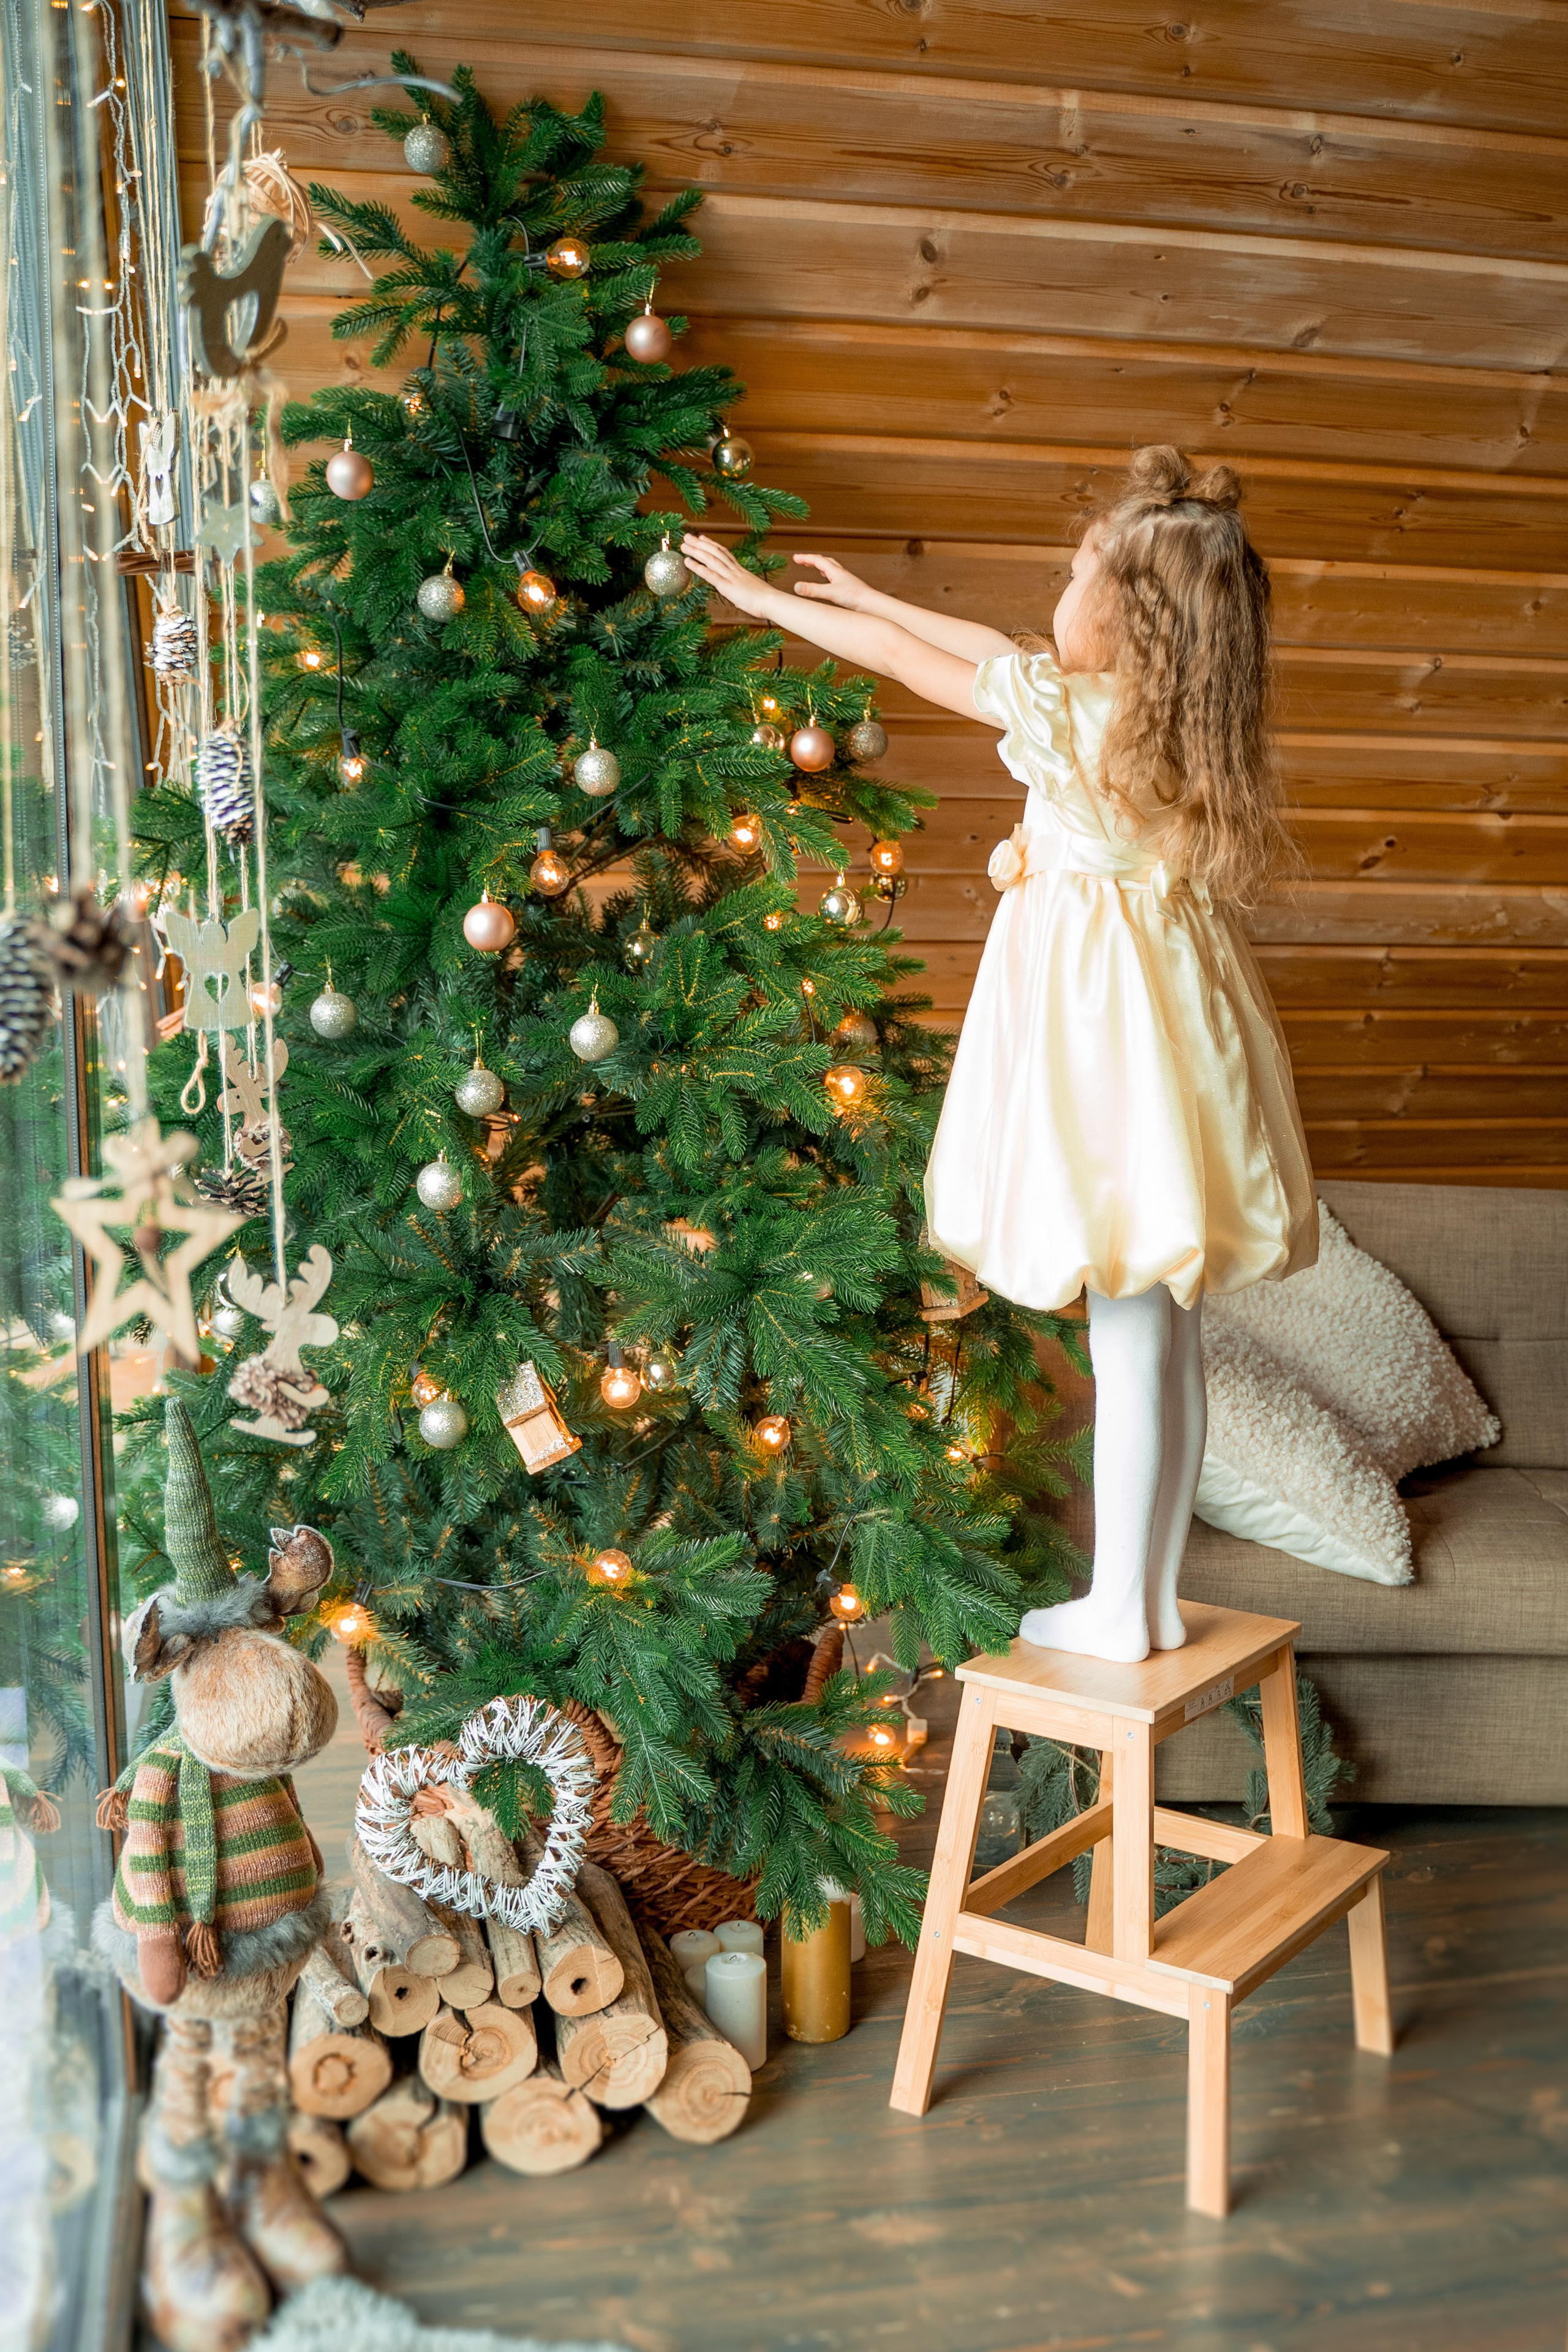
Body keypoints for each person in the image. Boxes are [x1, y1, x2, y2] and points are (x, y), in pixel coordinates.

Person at [682, 446, 1316, 1664]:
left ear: (1126, 615)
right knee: (1163, 1330)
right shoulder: (1161, 720)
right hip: (1174, 1037)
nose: (1059, 590)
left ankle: (1121, 1610)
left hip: (1101, 1048)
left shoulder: (1077, 716)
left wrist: (777, 609)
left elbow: (932, 668)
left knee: (1128, 1325)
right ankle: (1152, 1593)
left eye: (1079, 571)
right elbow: (980, 649)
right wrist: (863, 593)